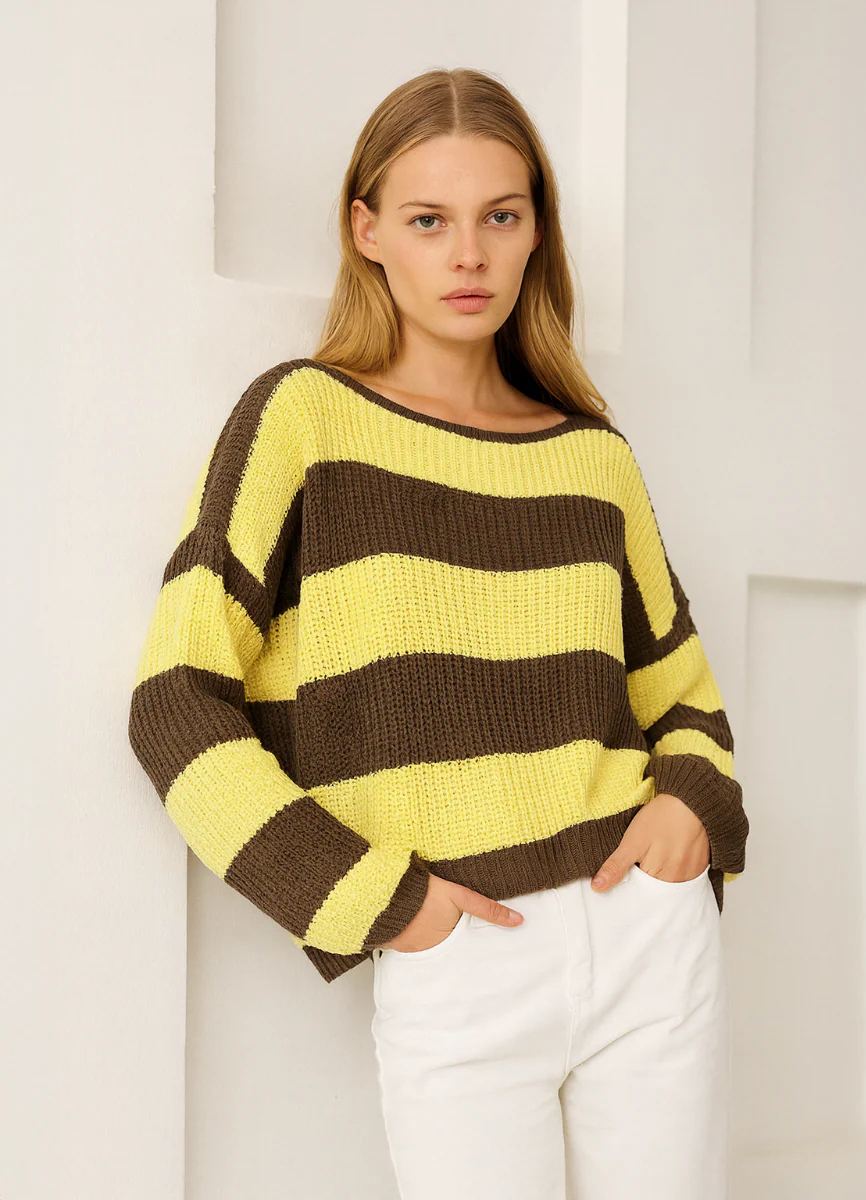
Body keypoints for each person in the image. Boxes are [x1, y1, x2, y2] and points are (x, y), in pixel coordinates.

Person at [128, 67, 749, 1200]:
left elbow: (683, 694)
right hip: (461, 950)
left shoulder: (592, 456)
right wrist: (379, 902)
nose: (469, 255)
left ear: (535, 232)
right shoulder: (302, 418)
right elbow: (174, 701)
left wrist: (690, 811)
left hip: (649, 936)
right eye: (429, 220)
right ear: (366, 231)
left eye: (499, 217)